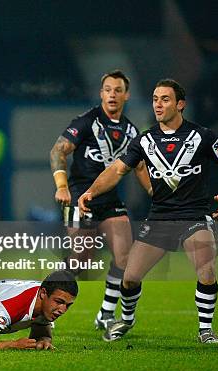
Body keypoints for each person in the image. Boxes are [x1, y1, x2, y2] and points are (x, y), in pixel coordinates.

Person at [78, 79, 218, 343]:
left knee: (207, 271)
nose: (158, 104)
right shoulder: (144, 140)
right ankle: (126, 320)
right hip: (159, 217)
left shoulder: (203, 136)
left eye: (165, 99)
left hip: (194, 216)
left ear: (180, 104)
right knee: (129, 279)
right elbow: (116, 170)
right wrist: (92, 191)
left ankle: (205, 330)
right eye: (155, 99)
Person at [49, 70, 151, 330]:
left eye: (118, 90)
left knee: (124, 256)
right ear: (101, 94)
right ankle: (42, 308)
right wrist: (61, 186)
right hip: (80, 197)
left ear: (126, 95)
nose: (112, 94)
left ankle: (106, 312)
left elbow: (139, 167)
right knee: (79, 261)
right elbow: (58, 151)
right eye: (107, 89)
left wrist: (156, 193)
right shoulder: (86, 122)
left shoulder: (131, 130)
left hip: (111, 201)